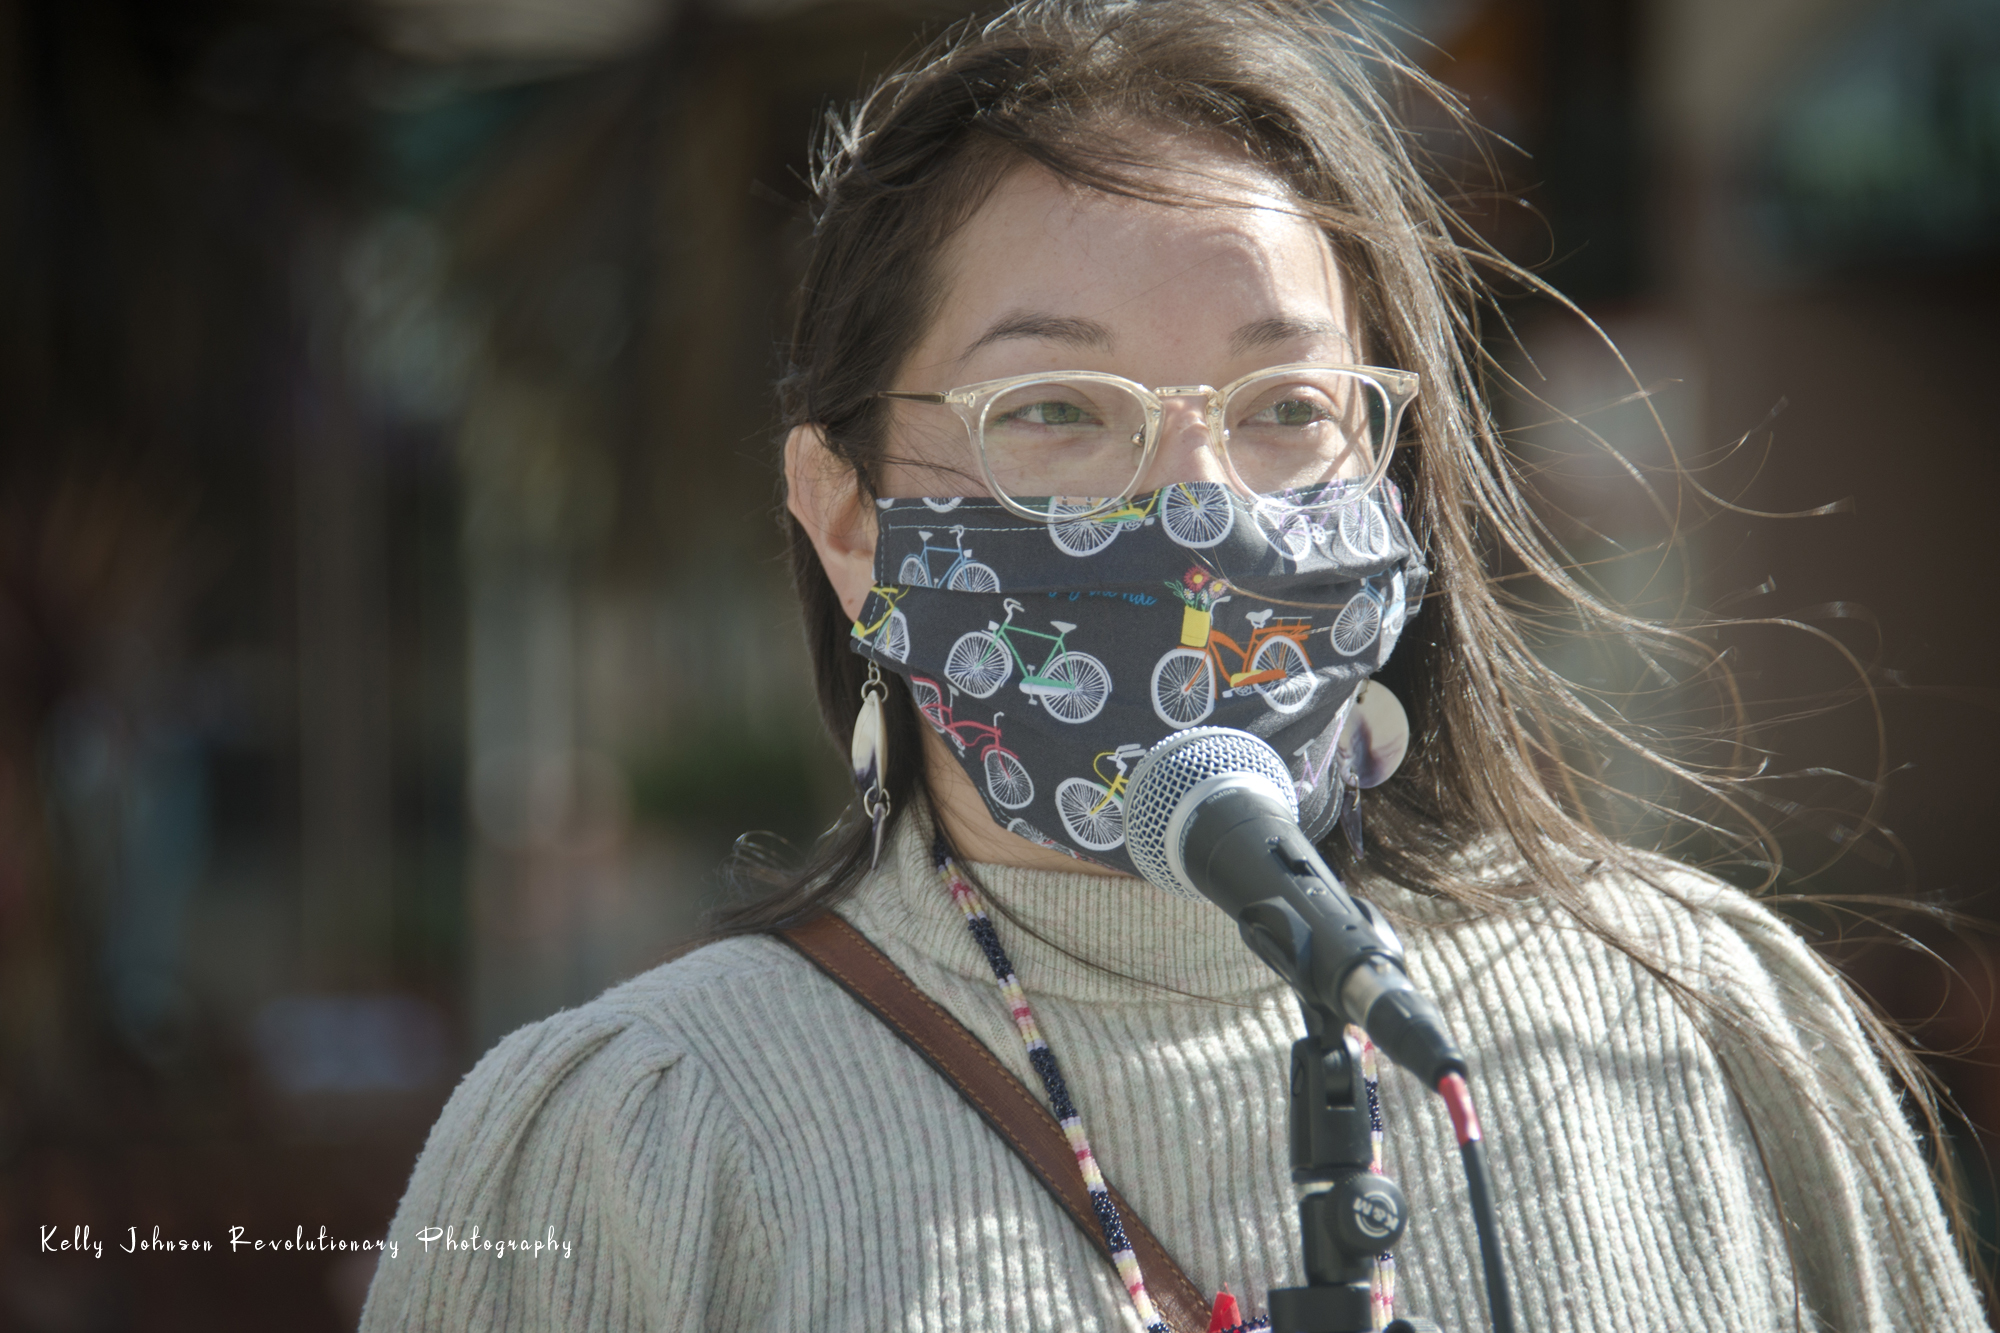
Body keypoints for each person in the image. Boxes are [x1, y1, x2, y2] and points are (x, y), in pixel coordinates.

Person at [360, 3, 1987, 1330]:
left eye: (1286, 409)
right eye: (1056, 411)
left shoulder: (1702, 1031)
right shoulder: (644, 1145)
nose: (1201, 510)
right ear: (847, 519)